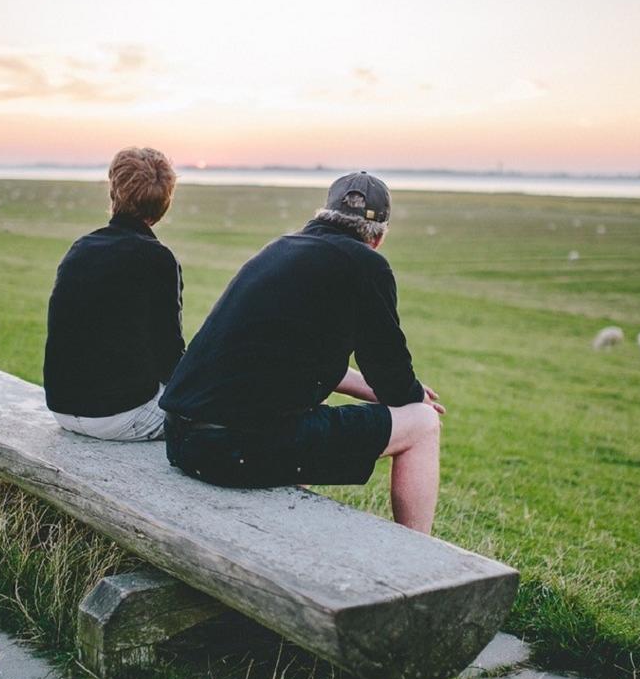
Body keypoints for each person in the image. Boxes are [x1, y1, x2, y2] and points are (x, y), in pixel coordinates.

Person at [159, 171, 445, 533]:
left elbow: (300, 360)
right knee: (422, 425)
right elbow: (389, 371)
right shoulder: (366, 265)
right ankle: (419, 560)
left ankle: (274, 532)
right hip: (231, 450)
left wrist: (393, 391)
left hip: (183, 439)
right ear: (380, 236)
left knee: (297, 423)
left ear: (323, 214)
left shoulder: (281, 249)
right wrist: (414, 399)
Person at [43, 147, 183, 441]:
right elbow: (169, 355)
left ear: (113, 193)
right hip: (117, 415)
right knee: (207, 410)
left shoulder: (81, 247)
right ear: (164, 204)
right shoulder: (158, 259)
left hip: (62, 407)